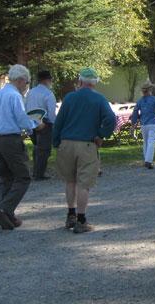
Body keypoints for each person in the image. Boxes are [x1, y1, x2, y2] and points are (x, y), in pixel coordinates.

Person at [52, 67, 116, 233]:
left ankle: (70, 215)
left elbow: (59, 121)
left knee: (70, 181)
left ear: (80, 81)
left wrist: (56, 141)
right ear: (95, 83)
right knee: (83, 183)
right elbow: (110, 119)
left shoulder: (69, 98)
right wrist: (101, 134)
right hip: (87, 144)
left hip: (66, 143)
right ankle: (81, 220)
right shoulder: (99, 99)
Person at [0, 65, 43, 230]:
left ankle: (8, 215)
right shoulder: (14, 96)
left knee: (6, 178)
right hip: (10, 140)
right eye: (26, 83)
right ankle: (3, 208)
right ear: (20, 80)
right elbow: (22, 119)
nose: (26, 86)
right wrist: (36, 124)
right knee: (23, 177)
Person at [25, 70, 57, 180]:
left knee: (36, 147)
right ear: (48, 80)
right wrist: (53, 124)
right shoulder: (48, 93)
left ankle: (36, 171)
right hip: (45, 122)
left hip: (31, 121)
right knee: (44, 149)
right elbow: (51, 112)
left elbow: (26, 106)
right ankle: (39, 173)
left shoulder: (31, 92)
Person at [130, 80, 155, 169]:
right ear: (150, 89)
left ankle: (146, 160)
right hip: (153, 123)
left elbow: (135, 112)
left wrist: (133, 123)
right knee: (151, 142)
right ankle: (148, 161)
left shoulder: (139, 101)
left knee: (146, 142)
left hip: (143, 124)